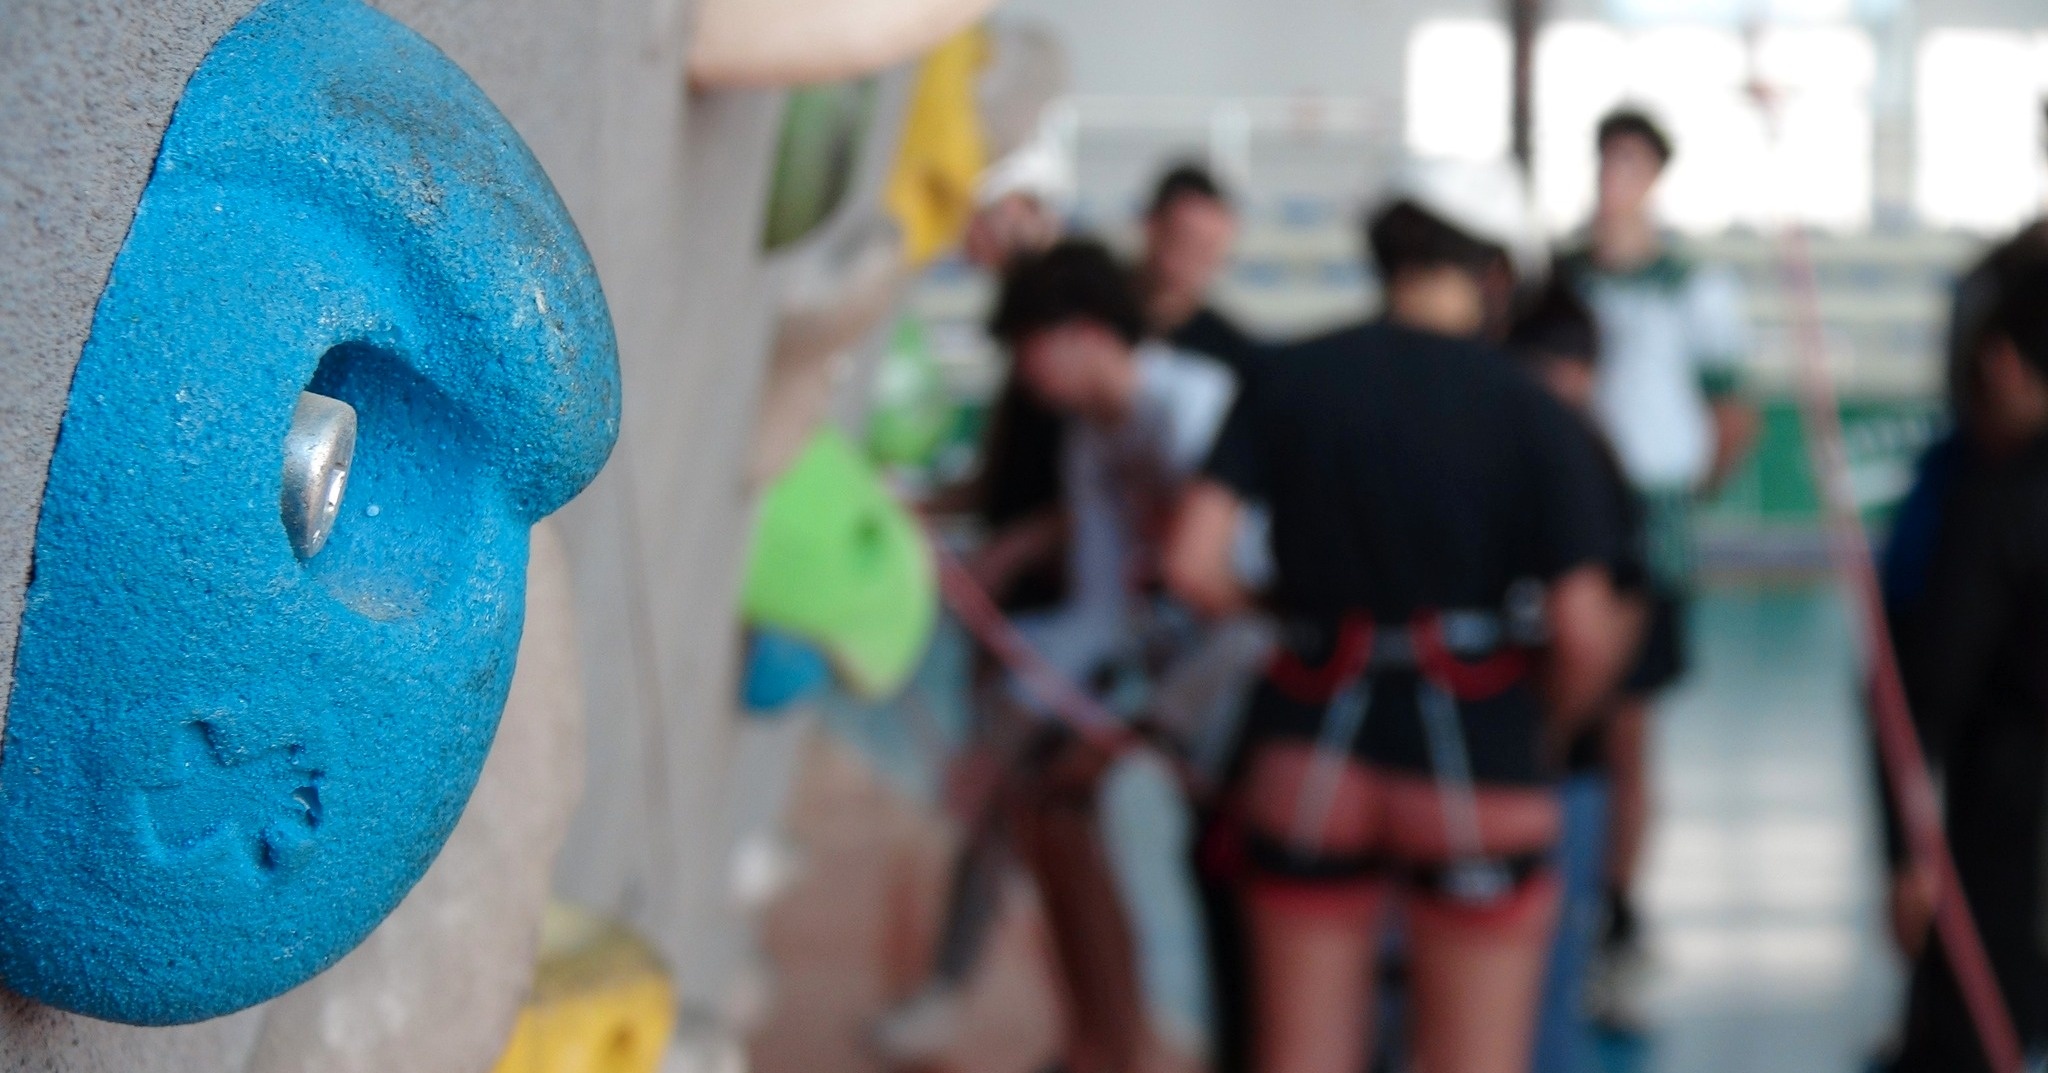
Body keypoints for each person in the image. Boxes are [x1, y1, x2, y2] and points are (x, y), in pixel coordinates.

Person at [1165, 159, 1638, 1073]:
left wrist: (1292, 611)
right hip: (1479, 751)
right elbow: (1582, 626)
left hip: (1310, 744)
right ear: (1496, 276)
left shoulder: (1289, 378)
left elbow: (1192, 561)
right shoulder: (1534, 413)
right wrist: (1547, 724)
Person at [1561, 109, 1757, 1027]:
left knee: (1630, 727)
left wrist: (1683, 502)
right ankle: (1555, 905)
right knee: (1565, 710)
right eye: (1607, 158)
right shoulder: (1561, 278)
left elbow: (1731, 413)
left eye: (1633, 160)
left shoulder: (1694, 287)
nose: (1616, 176)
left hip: (1650, 521)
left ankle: (1616, 915)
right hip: (1565, 520)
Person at [1880, 228, 2048, 1073]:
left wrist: (1906, 846)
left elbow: (1931, 674)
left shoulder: (1989, 501)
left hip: (2000, 762)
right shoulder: (1999, 278)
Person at [1507, 281, 1653, 1073]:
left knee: (1541, 1005)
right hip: (1504, 762)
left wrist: (1553, 726)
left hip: (1553, 768)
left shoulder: (1588, 457)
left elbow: (1615, 616)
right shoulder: (1517, 444)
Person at [1138, 163, 1261, 377]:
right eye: (1186, 241)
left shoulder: (1230, 350)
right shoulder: (1092, 322)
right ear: (1152, 227)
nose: (1198, 260)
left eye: (1210, 248)